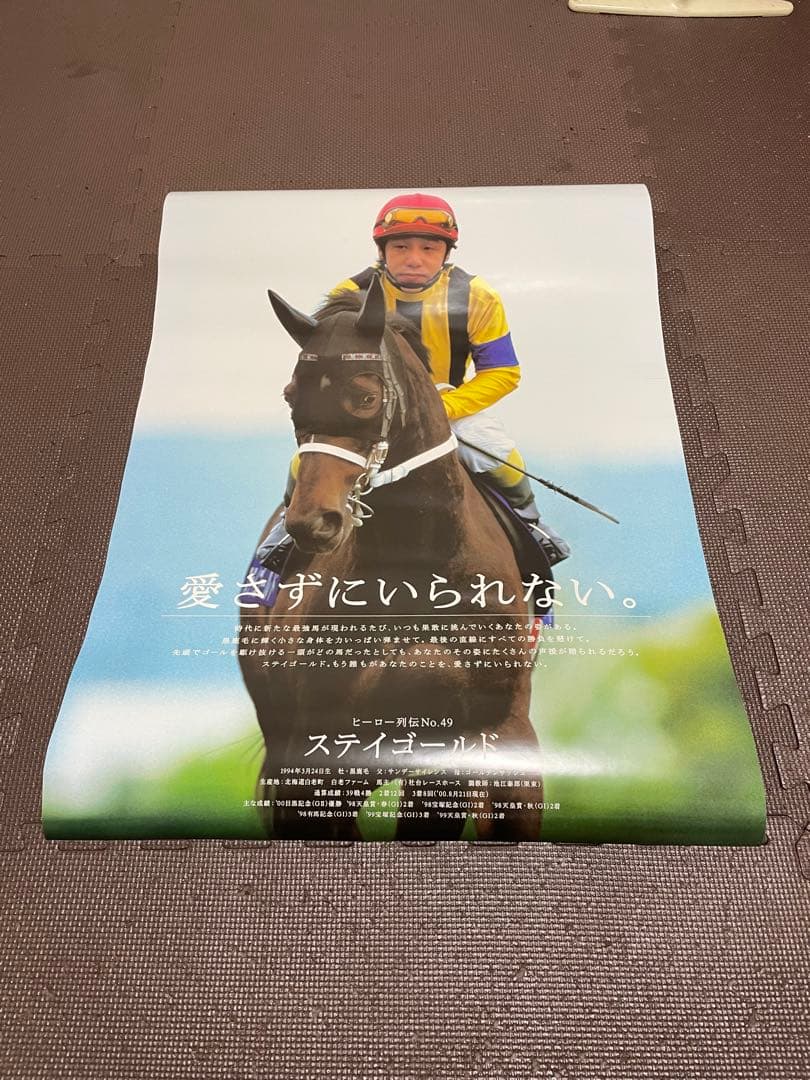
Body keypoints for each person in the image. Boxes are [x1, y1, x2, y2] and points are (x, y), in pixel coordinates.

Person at [258, 192, 570, 573]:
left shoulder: (479, 297)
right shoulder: (348, 294)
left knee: (499, 454)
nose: (414, 259)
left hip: (449, 402)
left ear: (446, 253)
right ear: (382, 251)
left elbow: (503, 371)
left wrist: (443, 408)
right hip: (368, 406)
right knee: (303, 461)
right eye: (401, 247)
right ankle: (286, 532)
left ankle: (531, 526)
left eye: (429, 248)